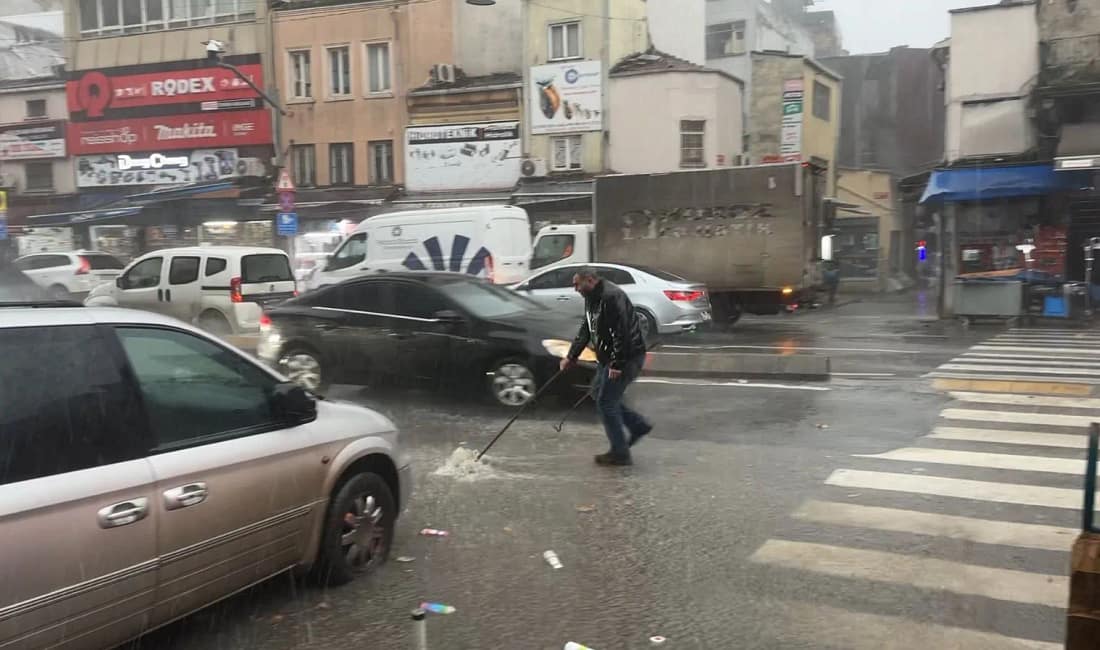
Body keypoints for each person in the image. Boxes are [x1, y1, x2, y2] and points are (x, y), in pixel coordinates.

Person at [560, 267, 651, 466]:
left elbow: (622, 332)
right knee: (597, 392)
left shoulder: (611, 296)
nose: (575, 289)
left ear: (590, 280)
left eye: (577, 284)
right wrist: (571, 356)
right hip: (607, 357)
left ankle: (620, 453)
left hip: (625, 358)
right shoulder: (592, 297)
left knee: (606, 403)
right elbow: (587, 328)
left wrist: (617, 364)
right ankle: (638, 425)